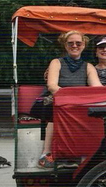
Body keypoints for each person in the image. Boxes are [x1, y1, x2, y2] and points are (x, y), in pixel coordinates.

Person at [38, 31, 102, 168]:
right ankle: (46, 152)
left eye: (78, 43)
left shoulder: (88, 67)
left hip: (79, 102)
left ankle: (85, 152)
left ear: (83, 45)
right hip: (57, 98)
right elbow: (52, 85)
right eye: (70, 43)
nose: (74, 46)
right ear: (65, 46)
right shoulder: (56, 62)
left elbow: (97, 88)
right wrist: (69, 97)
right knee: (56, 110)